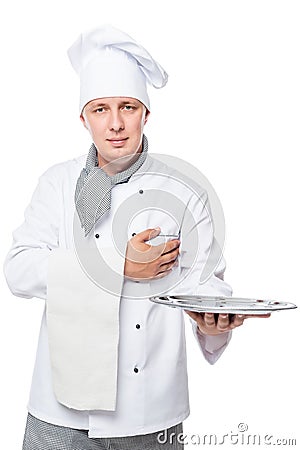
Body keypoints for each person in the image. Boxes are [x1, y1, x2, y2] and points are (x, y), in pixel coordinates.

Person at [3, 25, 270, 450]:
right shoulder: (57, 183)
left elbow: (204, 285)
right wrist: (116, 264)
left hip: (150, 414)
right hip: (59, 412)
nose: (114, 124)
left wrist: (214, 325)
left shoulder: (183, 189)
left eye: (127, 106)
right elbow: (18, 271)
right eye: (100, 109)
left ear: (146, 113)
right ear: (82, 118)